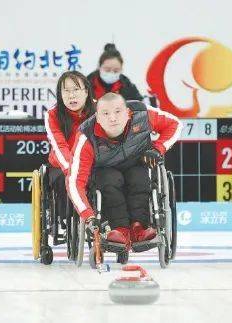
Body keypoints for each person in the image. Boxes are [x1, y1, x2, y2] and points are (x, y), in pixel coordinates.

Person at [67, 93, 182, 248]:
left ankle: (138, 228)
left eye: (117, 112)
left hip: (138, 163)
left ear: (128, 112)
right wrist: (87, 215)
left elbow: (175, 124)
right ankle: (120, 230)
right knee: (110, 180)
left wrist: (158, 149)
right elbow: (74, 182)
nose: (112, 118)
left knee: (139, 177)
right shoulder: (86, 136)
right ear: (97, 117)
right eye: (105, 114)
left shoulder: (142, 114)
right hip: (105, 170)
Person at [44, 71, 95, 223]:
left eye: (76, 90)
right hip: (63, 166)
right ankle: (71, 220)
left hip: (92, 164)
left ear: (86, 92)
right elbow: (59, 146)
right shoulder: (52, 114)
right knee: (62, 179)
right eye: (66, 91)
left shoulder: (100, 110)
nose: (71, 96)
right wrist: (72, 172)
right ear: (60, 94)